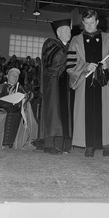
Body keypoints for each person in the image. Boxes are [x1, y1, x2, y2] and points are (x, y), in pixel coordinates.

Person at [67, 9, 109, 158]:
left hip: (103, 79)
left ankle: (108, 146)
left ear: (97, 22)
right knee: (87, 112)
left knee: (106, 112)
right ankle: (89, 145)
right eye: (86, 23)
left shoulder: (108, 38)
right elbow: (71, 63)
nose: (89, 26)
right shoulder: (76, 40)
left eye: (92, 23)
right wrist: (85, 66)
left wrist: (108, 64)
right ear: (83, 23)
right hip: (85, 79)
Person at [38, 19, 73, 155]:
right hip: (53, 84)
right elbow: (53, 63)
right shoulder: (51, 43)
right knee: (53, 113)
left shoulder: (70, 46)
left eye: (69, 31)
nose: (68, 33)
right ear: (58, 33)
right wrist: (69, 55)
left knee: (63, 112)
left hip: (66, 85)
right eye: (65, 31)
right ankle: (48, 145)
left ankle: (60, 145)